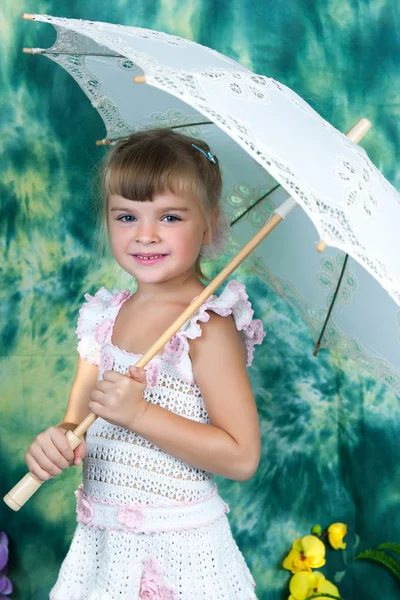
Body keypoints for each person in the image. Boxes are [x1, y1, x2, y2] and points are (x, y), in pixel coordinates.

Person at [25, 128, 265, 600]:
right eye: (127, 216)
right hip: (102, 549)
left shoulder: (207, 328)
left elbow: (242, 456)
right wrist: (57, 441)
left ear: (210, 226)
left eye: (170, 216)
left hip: (178, 557)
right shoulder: (102, 318)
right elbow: (77, 424)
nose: (146, 234)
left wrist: (140, 414)